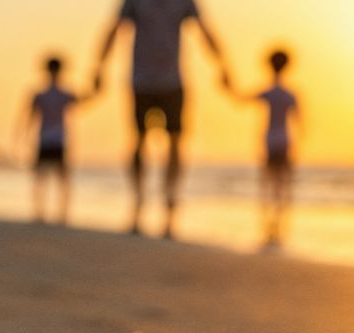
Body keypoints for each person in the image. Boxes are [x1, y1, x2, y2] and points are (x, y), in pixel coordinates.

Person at [92, 0, 232, 240]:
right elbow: (114, 29)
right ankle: (138, 203)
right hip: (141, 82)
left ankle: (170, 205)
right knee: (138, 140)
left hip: (173, 83)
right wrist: (99, 66)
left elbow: (204, 30)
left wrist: (222, 64)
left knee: (176, 143)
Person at [239, 49, 301, 251]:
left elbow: (242, 99)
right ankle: (278, 227)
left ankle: (269, 227)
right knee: (281, 186)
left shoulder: (269, 92)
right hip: (283, 143)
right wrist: (296, 145)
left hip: (269, 143)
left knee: (268, 184)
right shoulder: (289, 94)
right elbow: (300, 122)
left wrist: (226, 84)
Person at [21, 55, 81, 226]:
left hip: (53, 140)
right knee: (48, 178)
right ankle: (47, 213)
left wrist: (23, 136)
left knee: (52, 178)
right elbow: (30, 117)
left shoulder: (52, 94)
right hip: (52, 140)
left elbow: (29, 118)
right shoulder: (50, 95)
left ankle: (56, 214)